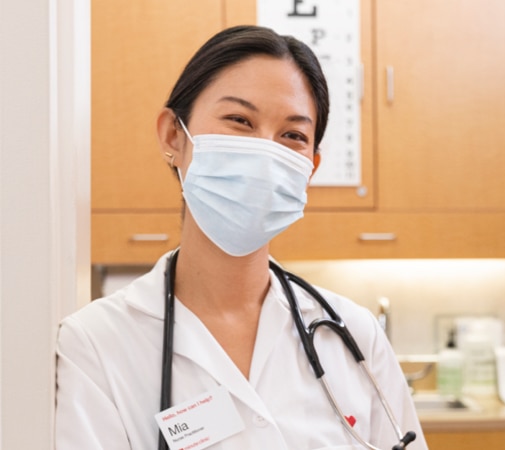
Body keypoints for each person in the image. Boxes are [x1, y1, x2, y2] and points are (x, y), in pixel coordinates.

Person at [55, 25, 428, 450]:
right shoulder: (94, 345)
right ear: (173, 136)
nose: (265, 152)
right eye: (239, 121)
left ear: (311, 167)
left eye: (293, 135)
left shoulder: (354, 336)